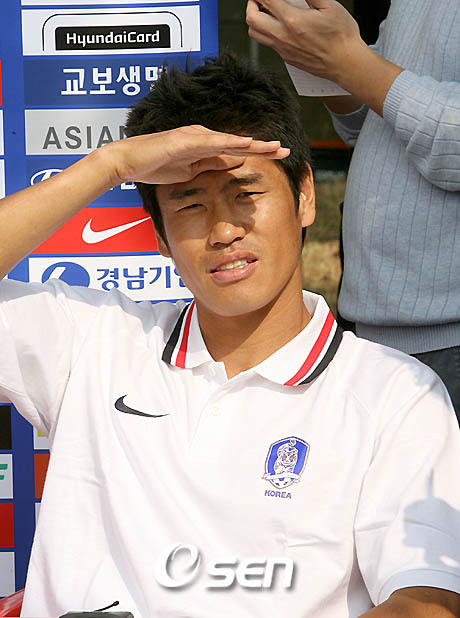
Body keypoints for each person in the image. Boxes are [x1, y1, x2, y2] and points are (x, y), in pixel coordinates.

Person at [1, 54, 460, 618]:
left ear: (305, 196)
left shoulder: (396, 393)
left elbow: (426, 603)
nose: (223, 230)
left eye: (245, 194)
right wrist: (111, 164)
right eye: (190, 205)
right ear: (160, 237)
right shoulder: (94, 340)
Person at [246, 0, 460, 423]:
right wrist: (317, 56)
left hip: (446, 340)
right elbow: (372, 124)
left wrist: (349, 62)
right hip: (376, 328)